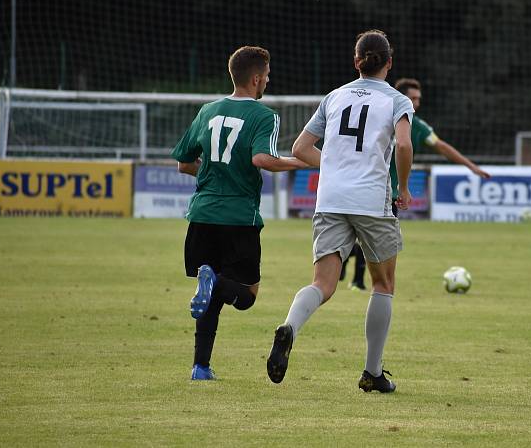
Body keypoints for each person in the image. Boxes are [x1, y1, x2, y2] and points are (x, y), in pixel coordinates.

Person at [267, 30, 414, 393]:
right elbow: (405, 144)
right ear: (389, 63)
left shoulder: (335, 96)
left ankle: (289, 327)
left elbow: (300, 148)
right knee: (383, 283)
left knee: (323, 283)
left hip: (330, 198)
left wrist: (334, 168)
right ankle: (372, 373)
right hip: (370, 200)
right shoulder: (397, 101)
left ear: (356, 62)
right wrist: (404, 187)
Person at [171, 46, 308, 381]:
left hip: (202, 213)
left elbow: (184, 163)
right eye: (268, 77)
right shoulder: (264, 116)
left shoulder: (207, 111)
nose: (268, 82)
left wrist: (213, 173)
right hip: (238, 216)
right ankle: (214, 282)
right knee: (246, 295)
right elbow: (262, 159)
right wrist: (302, 161)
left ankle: (200, 367)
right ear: (257, 78)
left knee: (212, 300)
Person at [388, 77, 490, 210]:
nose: (417, 103)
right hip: (379, 190)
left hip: (390, 194)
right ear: (401, 98)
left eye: (418, 99)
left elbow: (442, 147)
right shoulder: (384, 117)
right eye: (413, 98)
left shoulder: (418, 126)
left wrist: (471, 166)